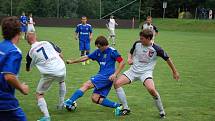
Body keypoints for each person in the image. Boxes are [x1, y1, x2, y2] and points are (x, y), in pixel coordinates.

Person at [114, 29, 179, 118]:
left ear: (149, 38)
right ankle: (126, 108)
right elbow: (131, 52)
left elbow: (168, 59)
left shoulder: (157, 49)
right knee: (117, 84)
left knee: (152, 89)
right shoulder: (137, 43)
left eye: (142, 39)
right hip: (133, 71)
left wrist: (174, 71)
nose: (140, 40)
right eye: (140, 38)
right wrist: (129, 58)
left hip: (145, 73)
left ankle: (161, 111)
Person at [64, 36, 125, 114]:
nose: (98, 48)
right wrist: (72, 61)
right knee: (95, 98)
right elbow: (86, 57)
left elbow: (122, 62)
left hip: (106, 76)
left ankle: (70, 101)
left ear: (104, 45)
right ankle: (118, 106)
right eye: (97, 47)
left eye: (99, 47)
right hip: (105, 77)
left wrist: (115, 74)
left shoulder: (112, 51)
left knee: (87, 84)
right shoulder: (98, 52)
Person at [26, 32, 66, 121]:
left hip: (50, 73)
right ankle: (61, 103)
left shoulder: (30, 53)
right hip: (61, 67)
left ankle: (46, 117)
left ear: (28, 42)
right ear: (36, 37)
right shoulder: (47, 42)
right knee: (61, 81)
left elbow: (28, 69)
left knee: (39, 94)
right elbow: (61, 54)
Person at [0, 16, 29, 121]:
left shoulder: (1, 46)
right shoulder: (14, 51)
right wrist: (22, 88)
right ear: (19, 32)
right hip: (4, 100)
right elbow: (9, 76)